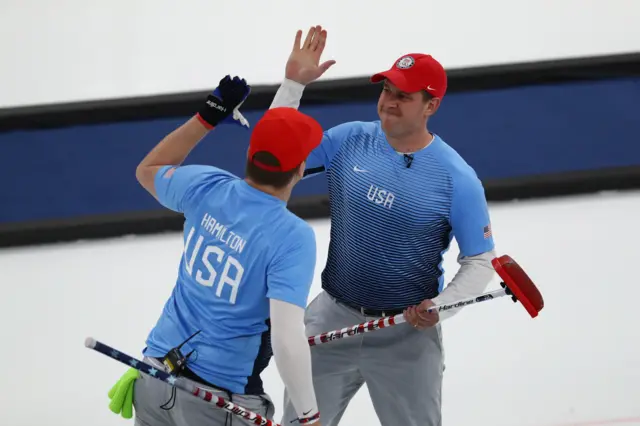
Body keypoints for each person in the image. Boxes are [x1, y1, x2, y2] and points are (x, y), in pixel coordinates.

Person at [269, 26, 498, 426]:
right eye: (387, 90)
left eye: (403, 96)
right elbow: (272, 156)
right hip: (331, 321)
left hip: (405, 335)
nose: (389, 103)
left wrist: (440, 308)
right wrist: (292, 85)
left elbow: (480, 261)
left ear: (431, 106)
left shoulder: (456, 179)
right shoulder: (347, 140)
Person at [110, 75, 325, 425]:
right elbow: (287, 341)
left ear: (248, 155)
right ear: (301, 170)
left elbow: (147, 170)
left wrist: (208, 116)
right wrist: (309, 416)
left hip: (153, 377)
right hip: (218, 403)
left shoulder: (207, 186)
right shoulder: (291, 237)